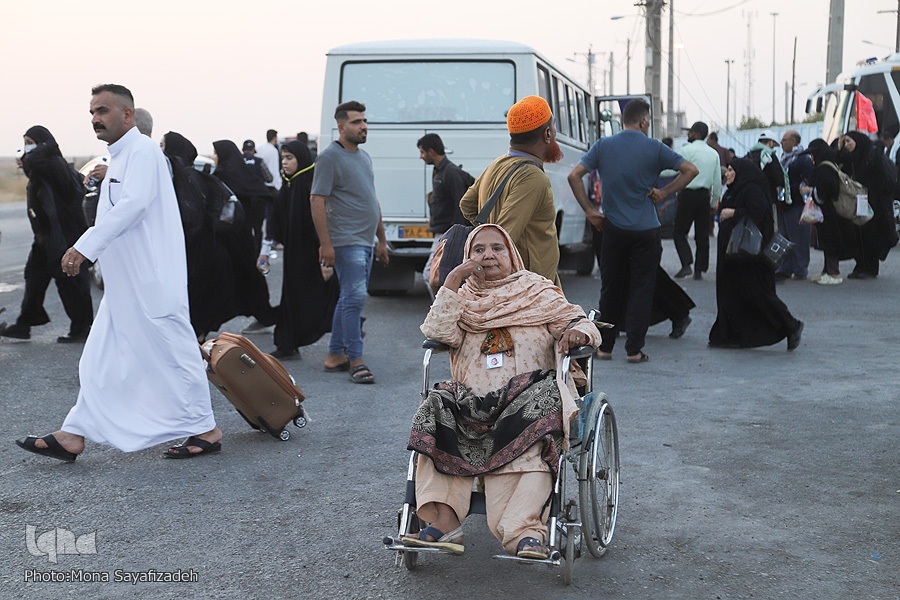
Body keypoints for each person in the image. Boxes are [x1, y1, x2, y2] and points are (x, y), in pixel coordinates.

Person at [15, 84, 221, 462]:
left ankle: (205, 428)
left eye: (103, 111)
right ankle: (73, 433)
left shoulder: (143, 152)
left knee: (175, 352)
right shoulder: (121, 157)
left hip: (152, 280)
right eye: (92, 112)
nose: (95, 118)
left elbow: (133, 206)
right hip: (125, 284)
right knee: (98, 359)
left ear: (127, 114)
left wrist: (85, 247)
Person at [401, 224, 601, 559]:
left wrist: (578, 333)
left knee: (539, 410)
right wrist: (452, 281)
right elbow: (436, 332)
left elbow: (577, 321)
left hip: (528, 394)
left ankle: (524, 531)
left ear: (512, 254)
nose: (488, 255)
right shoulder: (463, 298)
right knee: (435, 406)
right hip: (472, 401)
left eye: (497, 248)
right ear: (468, 258)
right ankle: (445, 521)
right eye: (478, 250)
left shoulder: (537, 290)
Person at [567, 98, 698, 363]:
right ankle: (634, 350)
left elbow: (574, 175)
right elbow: (690, 170)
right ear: (644, 121)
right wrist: (664, 192)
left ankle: (605, 348)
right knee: (642, 289)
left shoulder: (603, 145)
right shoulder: (655, 147)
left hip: (612, 228)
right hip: (646, 231)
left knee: (610, 289)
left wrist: (590, 211)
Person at [310, 100, 389, 383]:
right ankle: (356, 359)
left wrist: (382, 240)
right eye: (356, 122)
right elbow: (317, 199)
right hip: (346, 240)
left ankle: (335, 355)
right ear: (341, 126)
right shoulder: (329, 158)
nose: (363, 126)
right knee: (355, 298)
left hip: (366, 241)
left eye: (364, 121)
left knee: (348, 298)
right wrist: (325, 244)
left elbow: (371, 200)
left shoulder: (364, 157)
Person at [0, 126, 93, 343]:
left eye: (30, 142)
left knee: (71, 284)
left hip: (61, 238)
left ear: (43, 144)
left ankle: (81, 329)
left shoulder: (54, 165)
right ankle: (24, 325)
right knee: (34, 278)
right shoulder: (42, 166)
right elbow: (34, 169)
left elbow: (37, 164)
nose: (27, 148)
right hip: (44, 238)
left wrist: (41, 150)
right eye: (25, 143)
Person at [459, 95, 562, 285]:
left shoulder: (497, 164)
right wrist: (491, 236)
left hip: (530, 285)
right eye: (554, 126)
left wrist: (486, 226)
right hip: (527, 288)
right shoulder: (533, 177)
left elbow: (466, 204)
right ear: (547, 134)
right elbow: (504, 235)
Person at [708, 159, 803, 351]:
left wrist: (734, 213)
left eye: (732, 170)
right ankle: (732, 335)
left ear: (742, 172)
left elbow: (759, 213)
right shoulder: (735, 189)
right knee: (733, 292)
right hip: (734, 255)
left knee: (758, 293)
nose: (727, 173)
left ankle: (791, 325)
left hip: (749, 256)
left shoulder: (751, 189)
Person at [258, 140, 339, 359]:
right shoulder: (289, 185)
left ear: (301, 159)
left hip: (313, 255)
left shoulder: (310, 185)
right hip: (295, 255)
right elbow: (276, 221)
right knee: (293, 298)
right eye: (282, 158)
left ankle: (345, 338)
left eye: (289, 158)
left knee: (324, 298)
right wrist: (265, 250)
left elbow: (320, 223)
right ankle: (288, 344)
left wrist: (325, 261)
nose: (284, 163)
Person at [162, 131, 239, 339]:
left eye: (163, 145)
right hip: (204, 248)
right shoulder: (193, 176)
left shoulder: (183, 178)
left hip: (192, 249)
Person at [212, 139, 278, 333]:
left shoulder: (227, 175)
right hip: (236, 236)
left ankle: (264, 315)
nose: (214, 157)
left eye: (216, 153)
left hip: (237, 238)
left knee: (243, 276)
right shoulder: (236, 172)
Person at [836, 131, 899, 279]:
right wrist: (839, 148)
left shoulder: (873, 155)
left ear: (858, 141)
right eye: (845, 142)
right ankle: (860, 265)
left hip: (874, 202)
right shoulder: (851, 157)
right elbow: (838, 164)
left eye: (849, 141)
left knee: (871, 235)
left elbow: (883, 178)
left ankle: (870, 267)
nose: (847, 145)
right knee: (857, 234)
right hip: (858, 202)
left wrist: (870, 191)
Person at [417, 133, 472, 299]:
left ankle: (441, 309)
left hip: (449, 234)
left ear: (432, 152)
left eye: (422, 152)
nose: (421, 156)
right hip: (442, 233)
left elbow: (461, 205)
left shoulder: (451, 173)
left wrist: (457, 236)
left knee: (430, 275)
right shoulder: (439, 171)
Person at [798, 138, 859, 285]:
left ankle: (833, 273)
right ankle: (827, 271)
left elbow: (825, 192)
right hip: (829, 211)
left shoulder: (824, 168)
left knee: (830, 242)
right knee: (827, 242)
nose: (811, 157)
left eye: (813, 154)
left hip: (828, 212)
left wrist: (809, 190)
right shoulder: (829, 165)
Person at [673, 121, 722, 280]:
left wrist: (655, 171)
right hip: (703, 197)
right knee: (702, 235)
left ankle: (686, 263)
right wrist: (714, 203)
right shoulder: (713, 154)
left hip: (687, 195)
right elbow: (717, 182)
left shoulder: (686, 150)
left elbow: (671, 170)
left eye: (691, 132)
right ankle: (699, 270)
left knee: (679, 232)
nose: (688, 134)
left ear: (697, 134)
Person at [774, 130, 815, 281]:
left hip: (797, 204)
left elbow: (809, 181)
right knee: (784, 237)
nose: (781, 143)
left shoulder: (803, 159)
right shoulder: (783, 159)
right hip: (783, 203)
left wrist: (797, 188)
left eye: (784, 140)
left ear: (794, 141)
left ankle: (800, 268)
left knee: (799, 237)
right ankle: (785, 267)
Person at [745, 130, 789, 204]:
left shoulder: (748, 156)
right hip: (768, 198)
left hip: (750, 198)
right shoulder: (770, 156)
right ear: (771, 143)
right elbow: (778, 178)